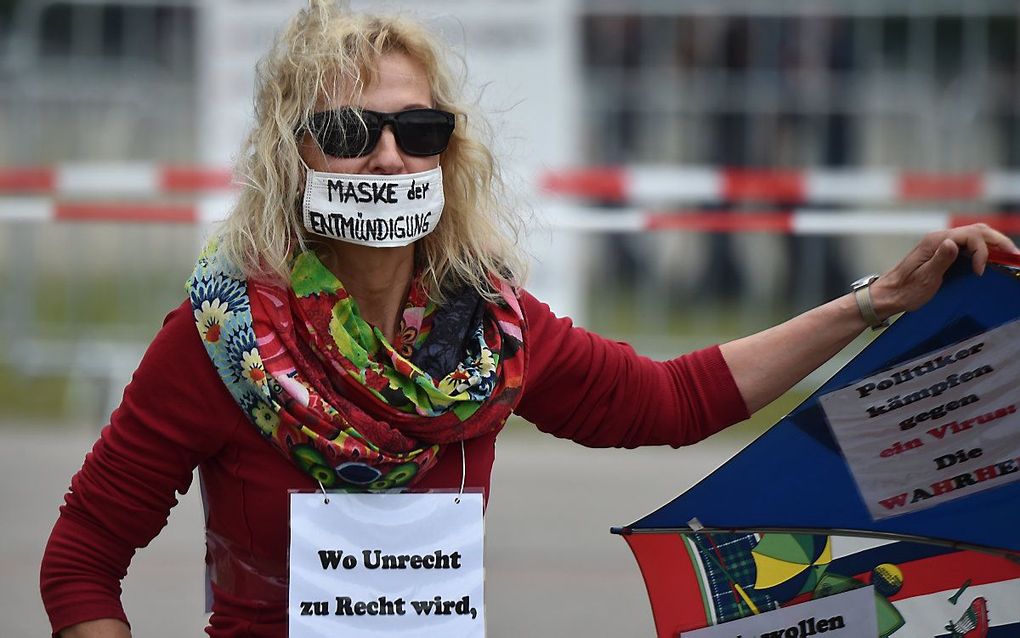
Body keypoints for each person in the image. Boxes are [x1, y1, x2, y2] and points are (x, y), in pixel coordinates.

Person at [39, 3, 1019, 638]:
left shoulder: (489, 331)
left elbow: (672, 399)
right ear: (291, 154)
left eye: (416, 131)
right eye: (348, 132)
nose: (387, 158)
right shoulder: (220, 339)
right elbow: (80, 563)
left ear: (445, 154)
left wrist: (870, 303)